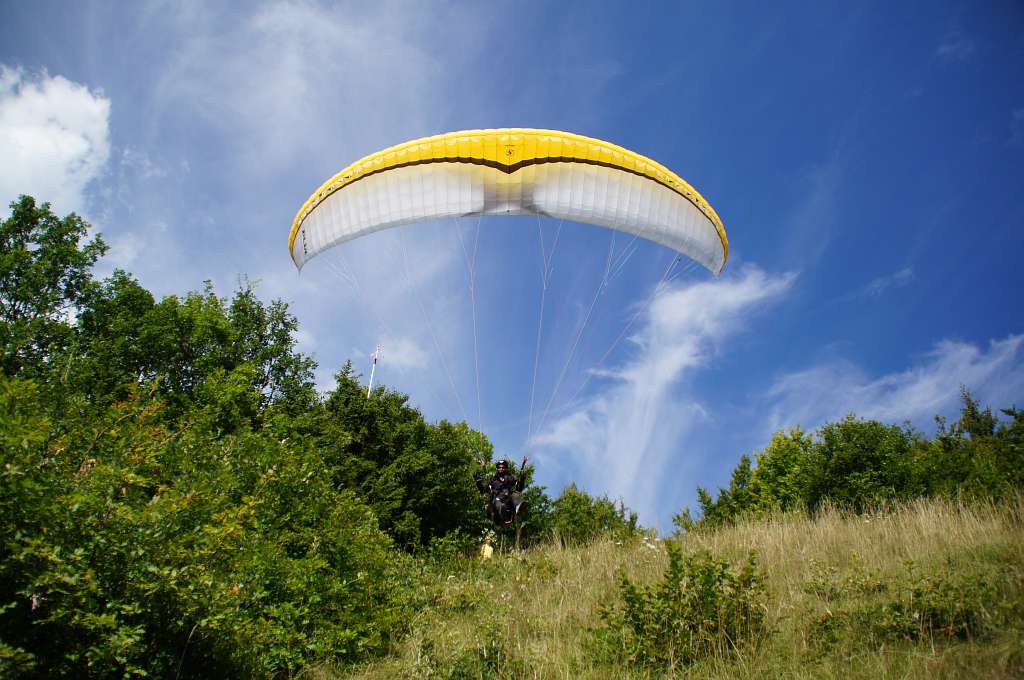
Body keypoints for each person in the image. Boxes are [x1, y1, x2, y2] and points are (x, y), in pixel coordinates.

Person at [475, 456, 530, 524]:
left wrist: (522, 479)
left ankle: (519, 508)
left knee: (514, 494)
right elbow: (482, 489)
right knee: (499, 503)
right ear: (497, 469)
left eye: (503, 467)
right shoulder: (493, 480)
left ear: (506, 468)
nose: (501, 469)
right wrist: (478, 481)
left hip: (508, 502)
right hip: (497, 502)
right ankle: (502, 516)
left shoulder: (510, 478)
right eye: (499, 467)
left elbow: (519, 489)